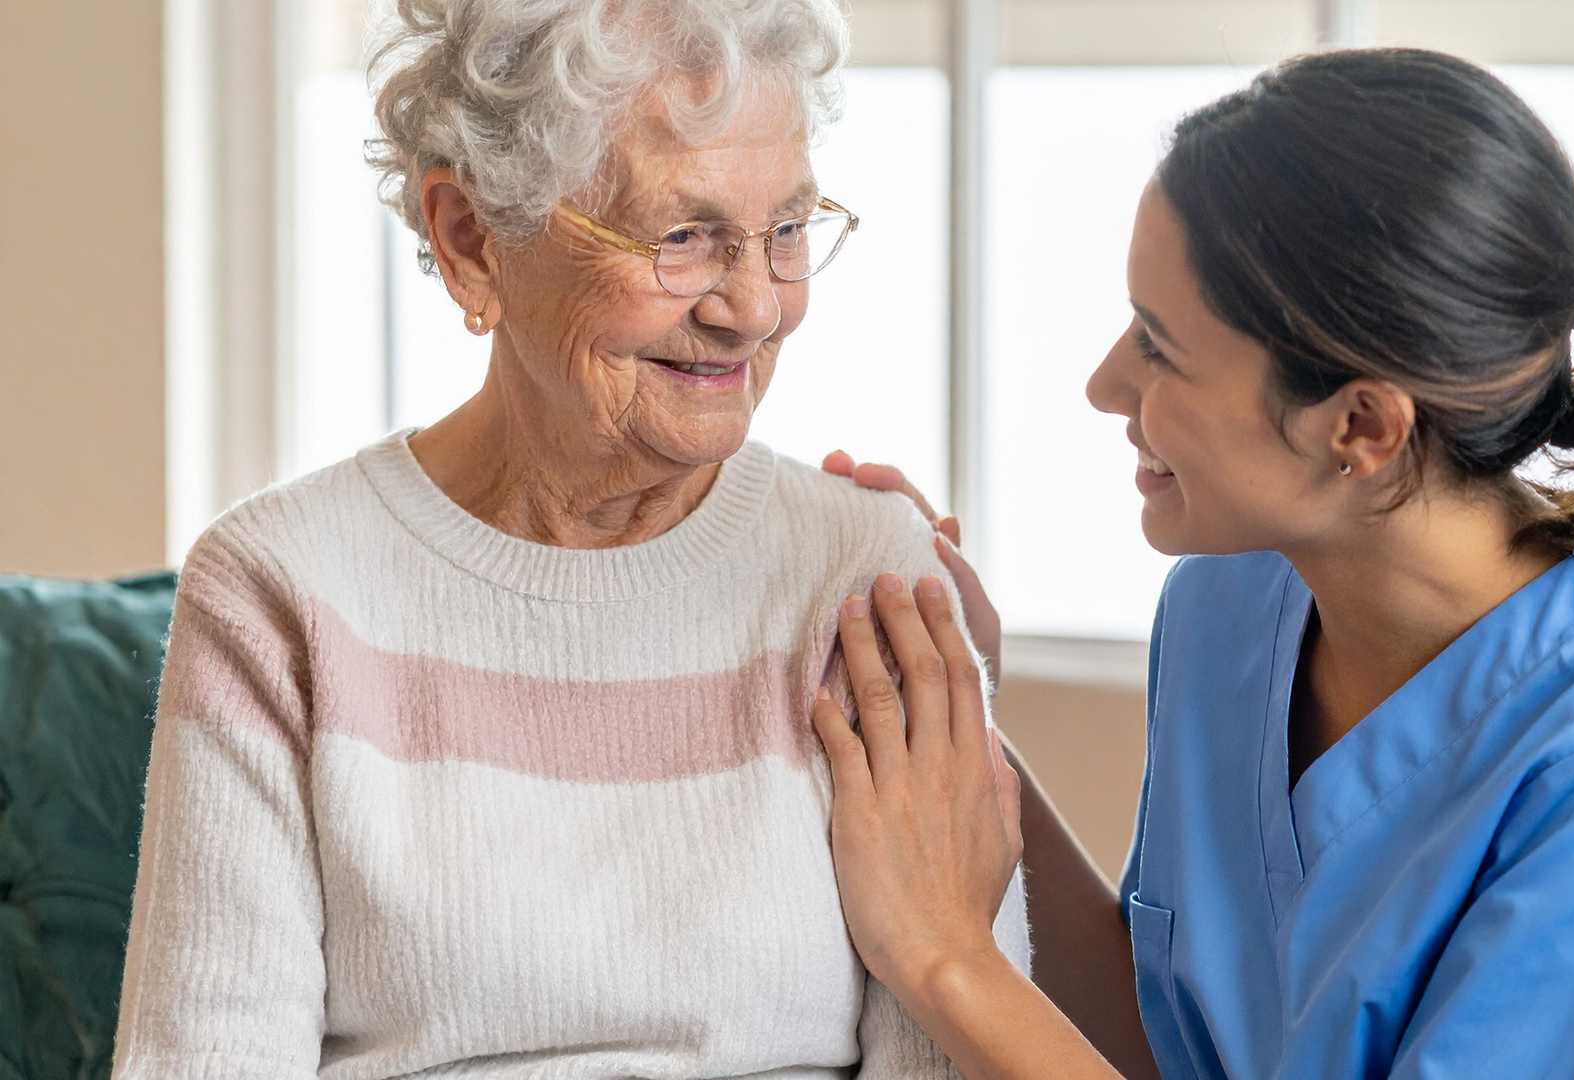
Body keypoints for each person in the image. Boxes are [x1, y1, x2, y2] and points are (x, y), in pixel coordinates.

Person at [813, 49, 1574, 1080]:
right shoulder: (1231, 608)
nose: (1104, 383)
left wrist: (945, 958)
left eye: (1160, 347)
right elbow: (1166, 1048)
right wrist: (947, 702)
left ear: (1360, 425)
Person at [110, 1, 1027, 1076]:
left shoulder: (866, 582)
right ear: (471, 240)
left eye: (786, 229)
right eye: (683, 237)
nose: (754, 308)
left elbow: (957, 1047)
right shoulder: (279, 591)